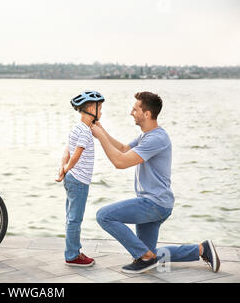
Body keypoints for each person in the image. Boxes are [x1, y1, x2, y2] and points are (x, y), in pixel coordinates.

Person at [89, 91, 220, 274]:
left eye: (135, 109)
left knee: (104, 216)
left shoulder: (157, 138)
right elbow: (124, 149)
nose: (131, 112)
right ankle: (201, 249)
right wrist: (101, 131)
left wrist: (100, 137)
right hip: (156, 203)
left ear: (147, 114)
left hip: (153, 203)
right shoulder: (147, 136)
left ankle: (145, 257)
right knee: (151, 254)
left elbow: (120, 162)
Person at [55, 90, 105, 267]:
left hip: (72, 178)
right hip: (79, 181)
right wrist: (68, 168)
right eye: (100, 109)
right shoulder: (85, 132)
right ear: (91, 108)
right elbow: (76, 155)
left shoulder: (77, 128)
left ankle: (72, 251)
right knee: (75, 218)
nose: (101, 112)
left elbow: (66, 151)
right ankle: (72, 255)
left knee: (70, 217)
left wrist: (63, 169)